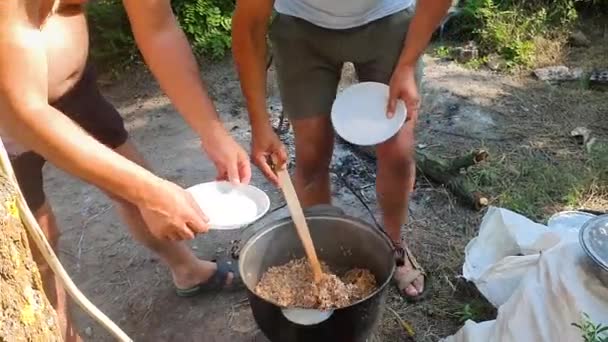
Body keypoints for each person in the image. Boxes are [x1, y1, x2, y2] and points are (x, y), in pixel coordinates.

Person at [0, 1, 250, 340]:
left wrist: (212, 131)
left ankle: (187, 270)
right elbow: (23, 111)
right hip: (9, 115)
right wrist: (148, 192)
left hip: (71, 92)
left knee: (133, 177)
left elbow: (158, 29)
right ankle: (62, 334)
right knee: (38, 242)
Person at [232, 0, 452, 301]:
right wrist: (259, 124)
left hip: (387, 18)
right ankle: (322, 256)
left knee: (398, 152)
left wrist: (408, 63)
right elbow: (250, 25)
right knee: (310, 156)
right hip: (301, 26)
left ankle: (395, 244)